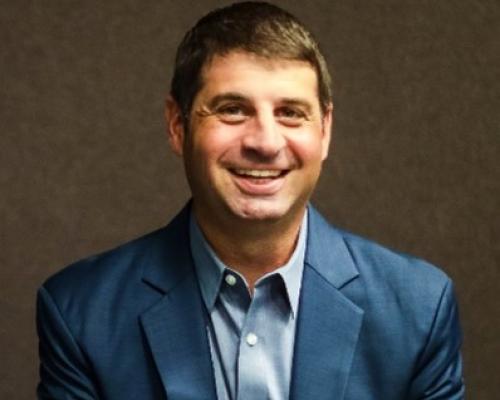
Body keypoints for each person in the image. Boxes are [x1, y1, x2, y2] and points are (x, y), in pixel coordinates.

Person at [36, 2, 464, 399]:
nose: (265, 141)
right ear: (177, 125)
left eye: (290, 112)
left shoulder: (419, 310)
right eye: (233, 109)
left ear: (325, 130)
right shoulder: (80, 315)